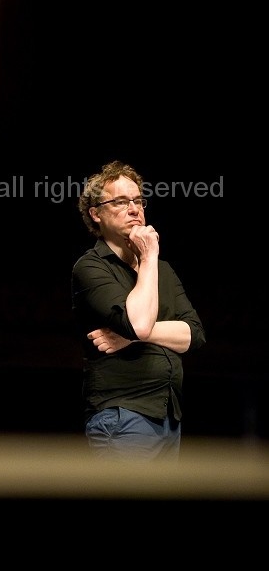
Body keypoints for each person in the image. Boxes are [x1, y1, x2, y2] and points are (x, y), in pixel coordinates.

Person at [71, 160, 206, 460]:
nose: (134, 209)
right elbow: (139, 323)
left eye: (137, 200)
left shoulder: (162, 271)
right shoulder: (91, 267)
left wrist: (132, 338)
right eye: (120, 201)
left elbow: (193, 334)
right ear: (96, 214)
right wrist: (149, 255)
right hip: (122, 416)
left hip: (169, 416)